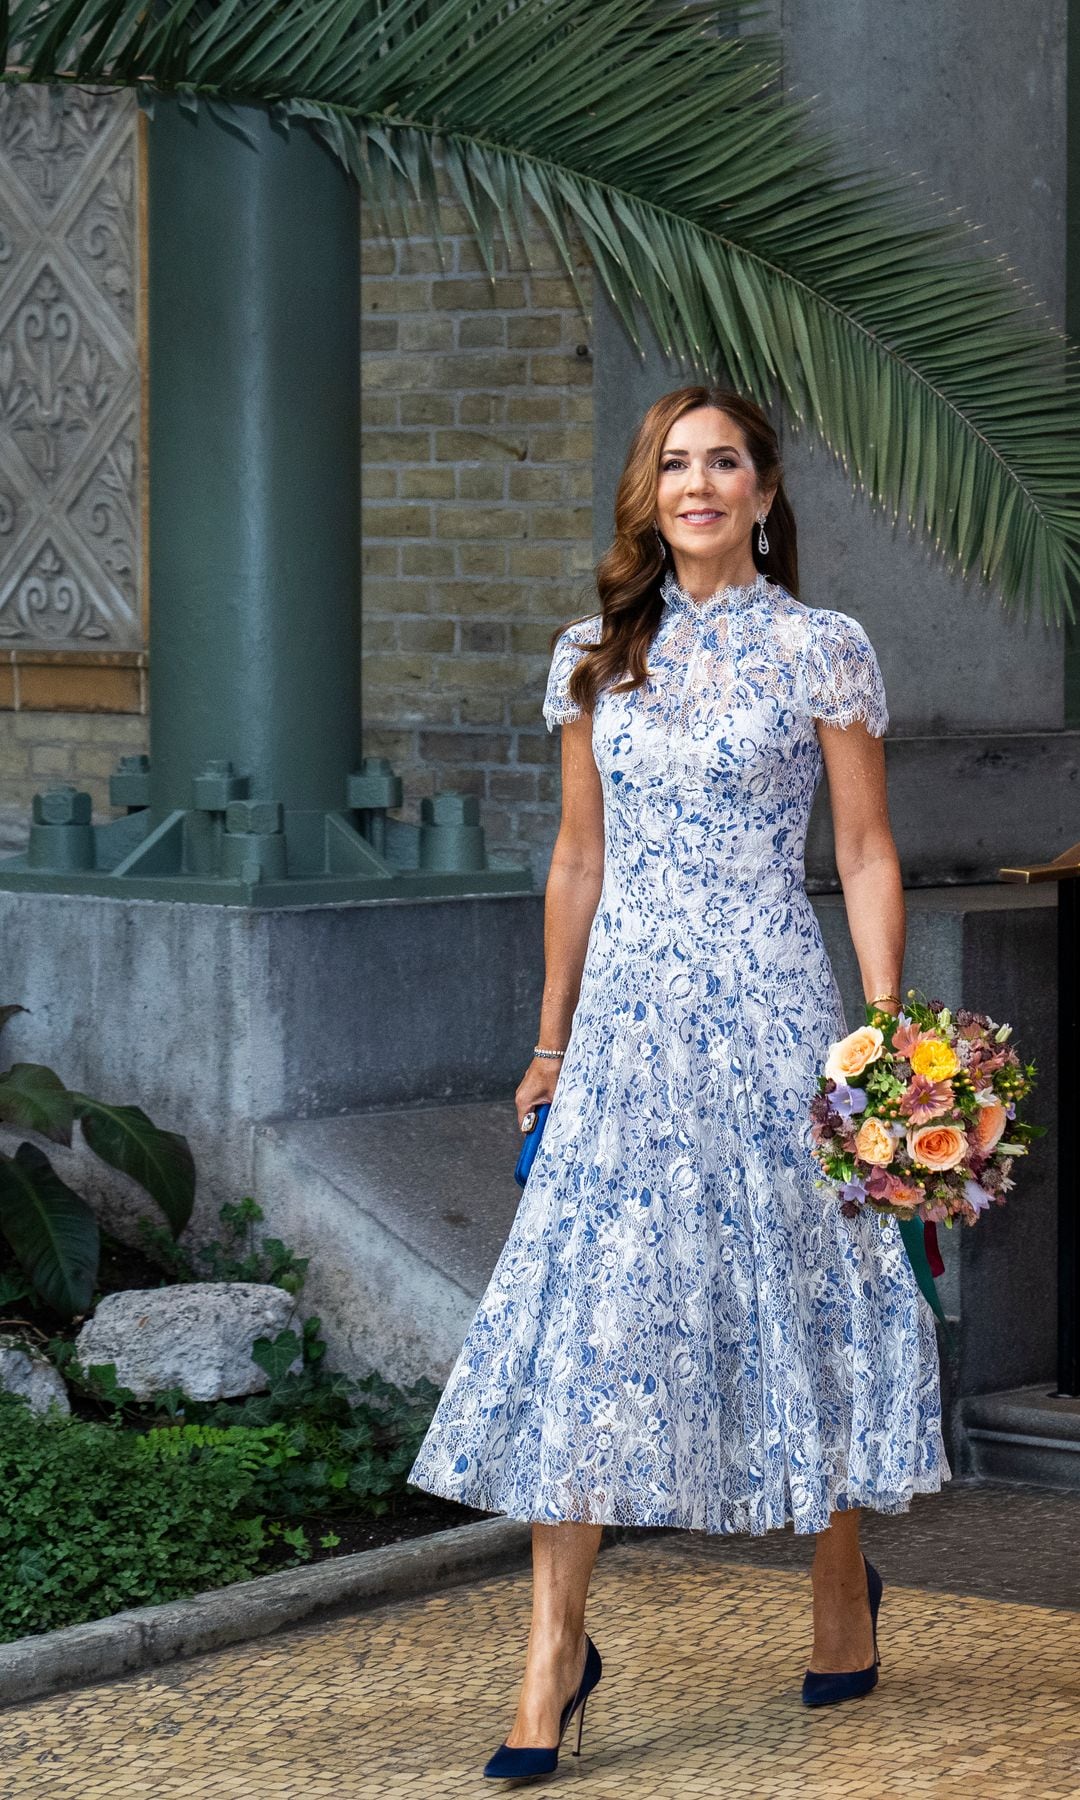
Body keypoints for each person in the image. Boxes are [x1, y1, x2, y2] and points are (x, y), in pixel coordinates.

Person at [407, 384, 947, 1779]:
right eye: (672, 463)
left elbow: (868, 849)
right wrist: (548, 1041)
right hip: (628, 1041)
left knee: (800, 1293)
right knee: (592, 1321)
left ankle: (840, 1586)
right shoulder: (594, 654)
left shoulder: (824, 650)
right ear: (647, 494)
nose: (696, 483)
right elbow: (578, 859)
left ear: (767, 494)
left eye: (724, 463)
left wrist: (886, 1038)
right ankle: (552, 1656)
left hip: (773, 1018)